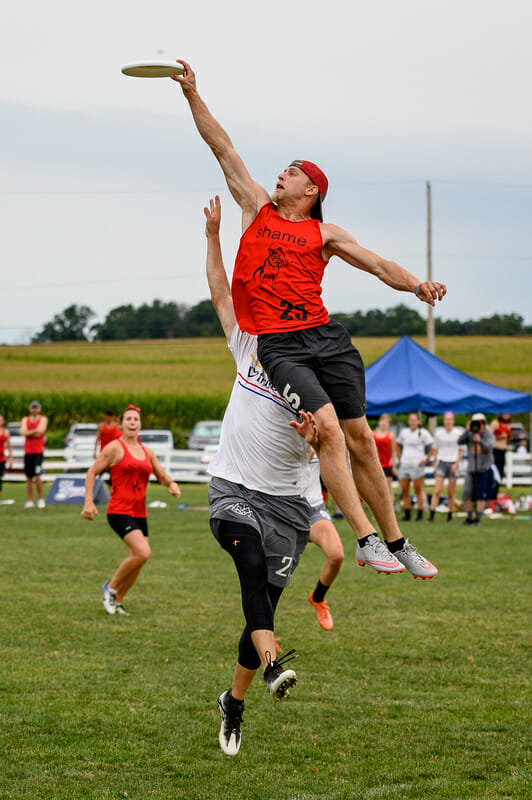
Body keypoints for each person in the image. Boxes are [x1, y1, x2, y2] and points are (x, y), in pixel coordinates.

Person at [172, 61, 441, 581]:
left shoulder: (325, 234)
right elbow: (222, 148)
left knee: (361, 438)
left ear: (311, 190)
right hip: (280, 346)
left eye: (291, 172)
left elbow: (379, 264)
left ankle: (398, 540)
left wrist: (416, 285)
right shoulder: (257, 208)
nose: (280, 174)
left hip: (326, 336)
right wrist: (191, 95)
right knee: (329, 432)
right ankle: (364, 538)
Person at [203, 196, 387, 757]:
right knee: (250, 568)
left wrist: (312, 444)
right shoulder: (247, 345)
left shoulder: (313, 371)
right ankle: (272, 667)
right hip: (233, 490)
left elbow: (329, 445)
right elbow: (218, 289)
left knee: (265, 602)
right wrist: (212, 237)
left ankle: (232, 703)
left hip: (290, 504)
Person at [81, 405, 181, 615]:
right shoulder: (114, 448)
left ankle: (117, 601)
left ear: (140, 424)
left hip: (139, 512)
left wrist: (171, 484)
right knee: (143, 552)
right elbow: (92, 472)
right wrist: (89, 502)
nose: (133, 423)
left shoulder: (147, 452)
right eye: (128, 419)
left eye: (136, 419)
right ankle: (110, 588)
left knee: (138, 560)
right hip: (119, 510)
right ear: (121, 425)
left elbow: (161, 475)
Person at [305, 447, 344, 631]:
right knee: (269, 579)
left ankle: (318, 598)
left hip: (313, 509)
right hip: (282, 512)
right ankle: (263, 634)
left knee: (336, 555)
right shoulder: (273, 432)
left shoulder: (316, 430)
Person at [397, 414, 437, 522]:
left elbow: (433, 445)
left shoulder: (423, 433)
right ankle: (407, 514)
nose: (413, 422)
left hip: (417, 464)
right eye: (411, 420)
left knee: (417, 490)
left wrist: (426, 459)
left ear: (418, 421)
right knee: (404, 490)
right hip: (405, 463)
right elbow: (397, 444)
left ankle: (419, 514)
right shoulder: (404, 432)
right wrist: (400, 457)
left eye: (415, 420)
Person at [458, 413, 495, 526]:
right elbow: (460, 441)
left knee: (480, 495)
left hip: (483, 468)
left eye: (480, 423)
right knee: (466, 493)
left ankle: (478, 519)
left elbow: (489, 448)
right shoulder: (470, 433)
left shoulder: (488, 434)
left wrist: (480, 441)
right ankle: (469, 517)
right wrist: (467, 430)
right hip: (471, 469)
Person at [428, 412, 464, 522]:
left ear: (453, 421)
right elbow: (435, 450)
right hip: (442, 463)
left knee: (450, 492)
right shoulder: (439, 434)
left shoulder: (458, 434)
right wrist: (435, 465)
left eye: (450, 419)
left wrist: (456, 464)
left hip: (453, 463)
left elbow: (461, 451)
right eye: (446, 419)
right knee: (437, 490)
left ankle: (450, 514)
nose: (448, 422)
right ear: (444, 421)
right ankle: (431, 515)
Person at [20, 401, 48, 509]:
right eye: (33, 408)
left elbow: (40, 431)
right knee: (28, 477)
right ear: (30, 409)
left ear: (39, 409)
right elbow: (22, 432)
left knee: (37, 475)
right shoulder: (25, 419)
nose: (34, 410)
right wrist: (33, 432)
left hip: (38, 452)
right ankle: (30, 500)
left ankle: (41, 499)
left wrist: (29, 432)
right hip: (28, 451)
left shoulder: (43, 419)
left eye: (36, 408)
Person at [373, 414, 398, 504]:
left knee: (388, 487)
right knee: (377, 488)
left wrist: (394, 466)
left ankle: (390, 507)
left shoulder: (391, 435)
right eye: (382, 421)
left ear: (388, 424)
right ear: (379, 422)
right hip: (376, 464)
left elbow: (394, 451)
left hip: (387, 464)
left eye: (386, 422)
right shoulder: (374, 434)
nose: (384, 423)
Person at [489, 413, 512, 484]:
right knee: (495, 473)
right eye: (505, 414)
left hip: (502, 451)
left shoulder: (508, 425)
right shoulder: (495, 423)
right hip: (495, 450)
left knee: (500, 473)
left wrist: (509, 436)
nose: (507, 415)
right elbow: (488, 437)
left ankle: (496, 491)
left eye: (508, 414)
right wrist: (499, 437)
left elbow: (507, 440)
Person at [0, 415, 14, 502]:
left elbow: (9, 446)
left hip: (1, 459)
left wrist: (11, 458)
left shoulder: (5, 432)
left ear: (3, 421)